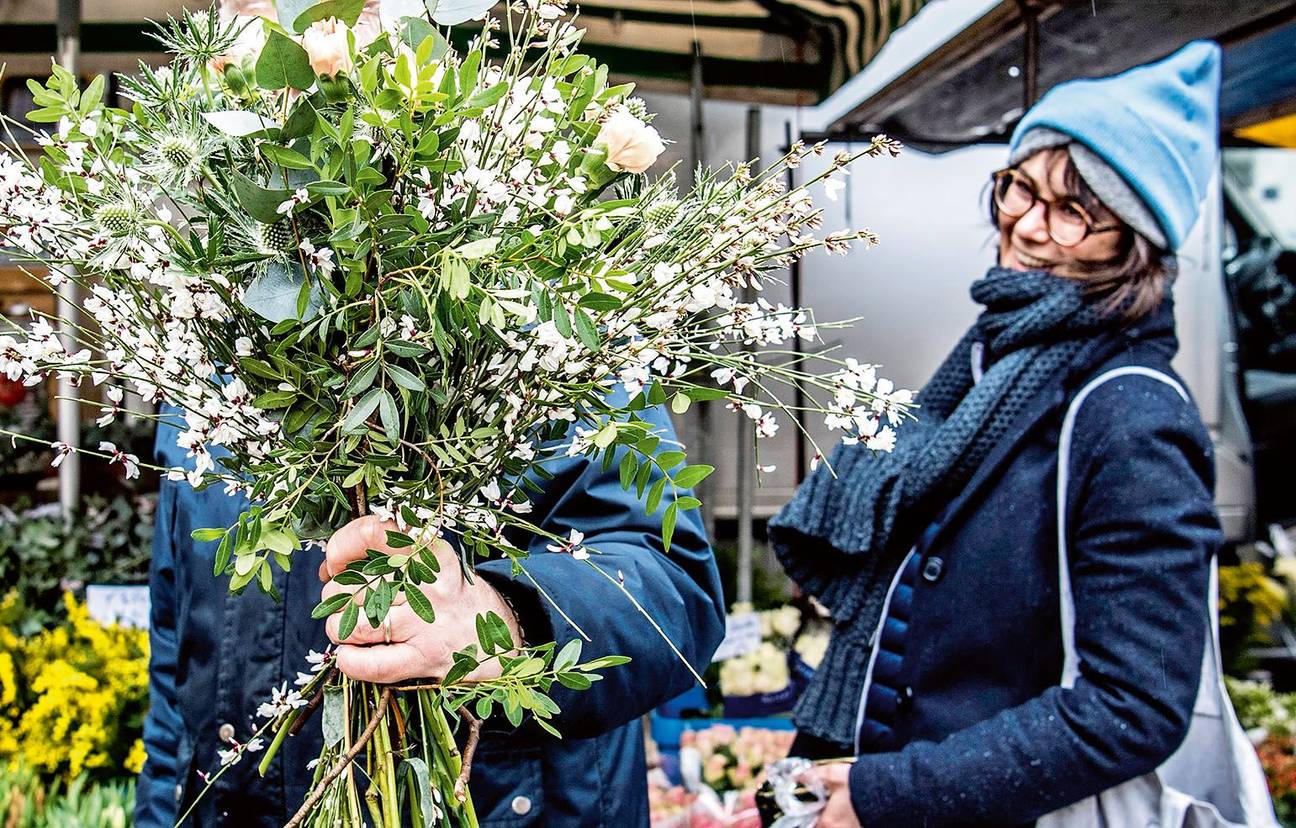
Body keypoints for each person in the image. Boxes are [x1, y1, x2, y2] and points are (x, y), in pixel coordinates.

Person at [769, 42, 1228, 826]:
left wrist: (892, 795)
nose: (1027, 226)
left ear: (1135, 245)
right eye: (1019, 187)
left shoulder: (1132, 416)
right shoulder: (995, 361)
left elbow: (1134, 707)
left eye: (1074, 209)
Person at [134, 386, 725, 826]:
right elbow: (179, 657)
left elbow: (673, 587)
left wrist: (503, 614)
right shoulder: (203, 374)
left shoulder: (545, 297)